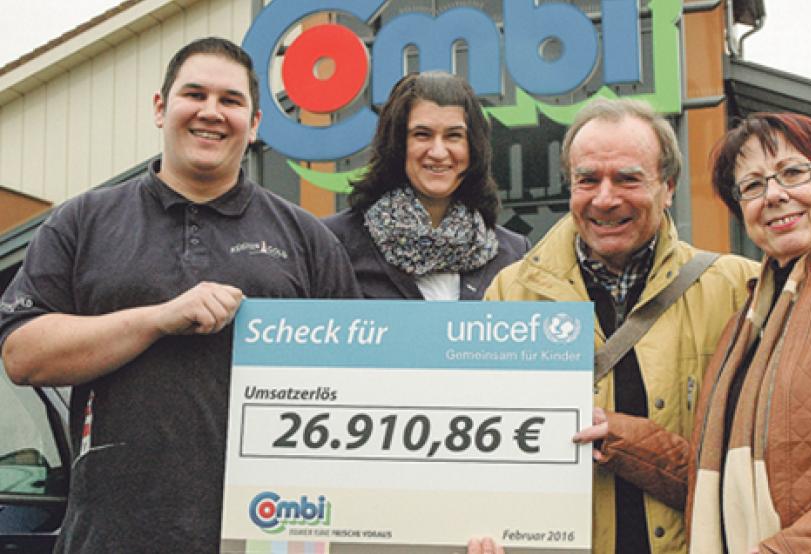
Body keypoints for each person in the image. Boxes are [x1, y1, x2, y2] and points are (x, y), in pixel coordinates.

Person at [485, 99, 811, 554]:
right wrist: (617, 436)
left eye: (793, 173)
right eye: (588, 179)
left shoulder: (731, 288)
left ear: (667, 188)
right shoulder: (755, 307)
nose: (606, 198)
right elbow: (716, 470)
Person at [0, 38, 360, 552]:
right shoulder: (83, 222)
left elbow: (358, 389)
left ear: (255, 123)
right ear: (160, 107)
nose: (211, 112)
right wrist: (156, 319)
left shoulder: (306, 239)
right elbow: (22, 356)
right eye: (195, 94)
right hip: (112, 537)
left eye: (231, 101)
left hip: (267, 533)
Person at [324, 71, 529, 300]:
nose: (438, 152)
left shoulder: (513, 254)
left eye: (453, 136)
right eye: (422, 135)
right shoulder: (333, 243)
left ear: (473, 147)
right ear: (397, 143)